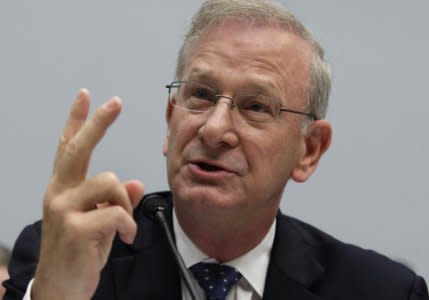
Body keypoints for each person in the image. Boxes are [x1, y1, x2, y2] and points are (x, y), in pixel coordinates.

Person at [3, 0, 428, 299]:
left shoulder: (382, 290)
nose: (214, 128)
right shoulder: (63, 256)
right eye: (201, 95)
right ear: (171, 122)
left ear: (309, 150)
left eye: (256, 106)